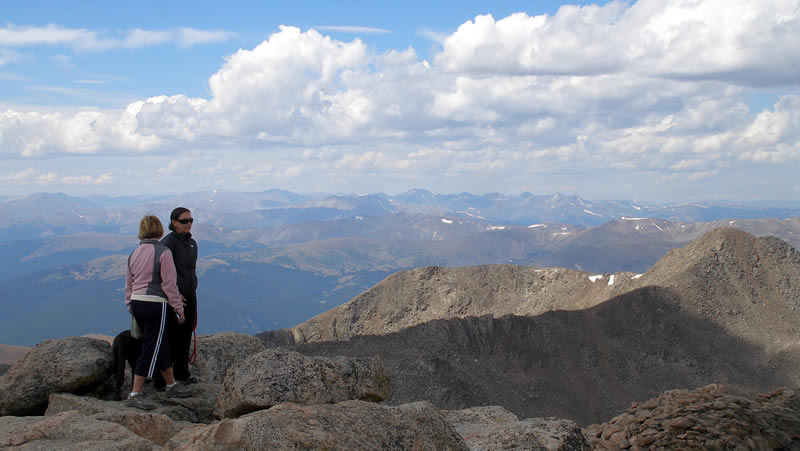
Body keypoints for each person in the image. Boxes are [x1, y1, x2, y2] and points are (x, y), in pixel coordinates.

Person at [124, 215, 191, 407]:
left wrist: (130, 305)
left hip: (137, 302)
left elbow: (128, 284)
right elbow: (169, 284)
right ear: (160, 229)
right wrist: (178, 308)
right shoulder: (163, 252)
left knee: (158, 343)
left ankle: (171, 384)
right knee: (151, 347)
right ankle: (135, 394)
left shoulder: (133, 253)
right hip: (156, 303)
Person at [161, 207, 199, 384]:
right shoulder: (167, 244)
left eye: (191, 220)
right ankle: (166, 378)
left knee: (186, 333)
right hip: (175, 297)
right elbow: (163, 273)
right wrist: (174, 295)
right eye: (184, 221)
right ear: (173, 222)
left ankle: (182, 374)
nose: (189, 224)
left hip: (190, 295)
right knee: (173, 335)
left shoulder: (192, 244)